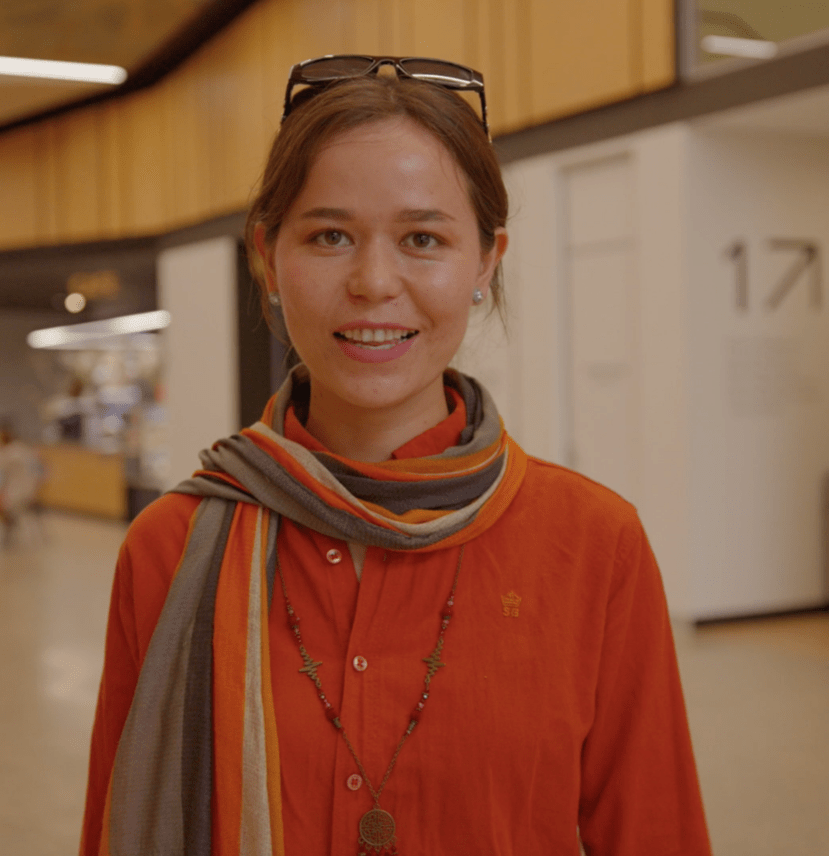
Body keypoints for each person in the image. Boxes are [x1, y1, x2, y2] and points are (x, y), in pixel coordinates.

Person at [80, 56, 711, 856]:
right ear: (268, 258)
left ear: (486, 259)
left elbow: (656, 835)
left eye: (422, 238)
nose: (375, 282)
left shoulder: (593, 544)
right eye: (330, 235)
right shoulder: (166, 549)